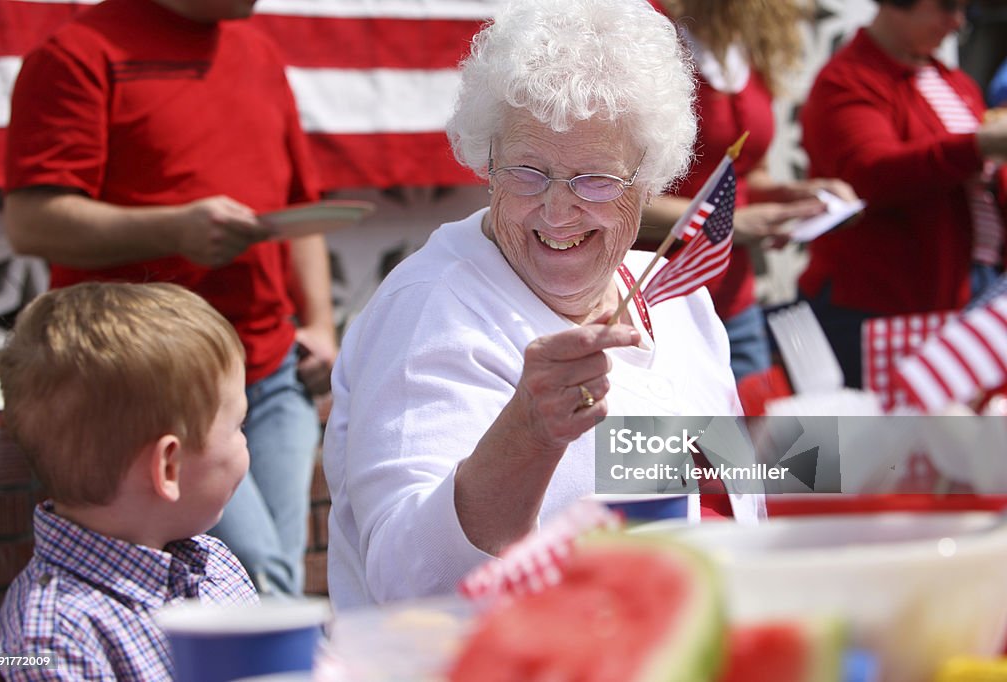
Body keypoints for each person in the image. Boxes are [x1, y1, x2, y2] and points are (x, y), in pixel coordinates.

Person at [322, 0, 763, 610]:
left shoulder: (671, 292)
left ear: (650, 177)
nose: (557, 211)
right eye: (527, 172)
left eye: (596, 180)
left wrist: (895, 450)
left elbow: (677, 467)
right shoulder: (431, 309)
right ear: (488, 160)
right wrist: (528, 433)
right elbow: (408, 582)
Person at [2, 0, 337, 595]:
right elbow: (32, 223)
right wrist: (172, 229)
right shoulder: (79, 55)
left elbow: (297, 206)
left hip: (269, 363)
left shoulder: (255, 49)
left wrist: (318, 323)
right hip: (154, 382)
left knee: (274, 569)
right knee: (257, 575)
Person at [0, 282, 258, 681]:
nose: (245, 440)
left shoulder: (213, 564)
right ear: (169, 467)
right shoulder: (45, 646)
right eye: (238, 426)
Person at [640, 0, 858, 384]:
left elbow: (746, 175)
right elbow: (611, 194)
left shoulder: (749, 44)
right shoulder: (649, 27)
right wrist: (725, 223)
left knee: (769, 443)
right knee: (654, 443)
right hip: (655, 303)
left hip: (735, 304)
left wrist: (797, 196)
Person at [799, 0, 1007, 388]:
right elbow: (871, 175)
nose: (957, 21)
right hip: (884, 299)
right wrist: (977, 146)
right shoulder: (848, 79)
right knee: (886, 436)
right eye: (946, 7)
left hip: (962, 286)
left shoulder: (950, 79)